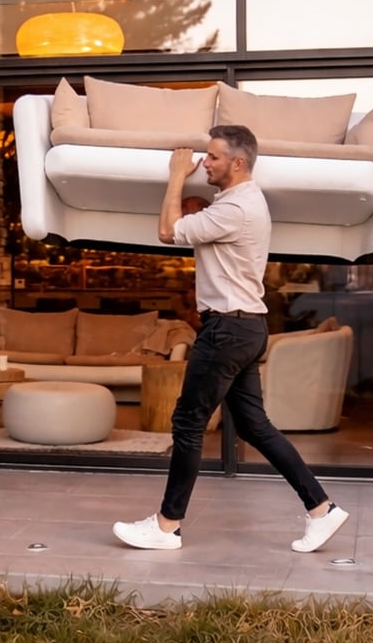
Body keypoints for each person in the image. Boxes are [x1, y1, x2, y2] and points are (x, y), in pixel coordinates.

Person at [112, 124, 350, 553]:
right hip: (245, 327)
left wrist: (174, 176)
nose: (205, 162)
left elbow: (167, 232)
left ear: (237, 163)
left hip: (228, 330)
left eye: (213, 156)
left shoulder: (236, 209)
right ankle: (322, 509)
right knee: (256, 426)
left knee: (187, 423)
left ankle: (166, 526)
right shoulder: (236, 203)